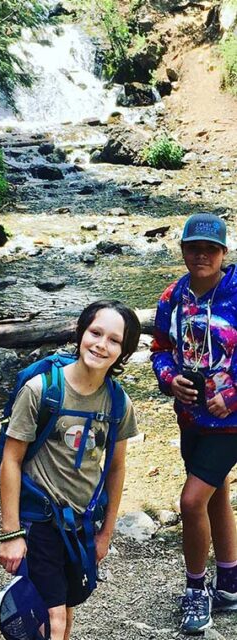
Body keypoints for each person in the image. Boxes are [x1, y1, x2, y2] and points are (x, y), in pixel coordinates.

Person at [0, 299, 141, 640]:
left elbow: (116, 468)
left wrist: (105, 533)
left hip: (81, 524)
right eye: (95, 332)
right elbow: (11, 459)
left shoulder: (119, 403)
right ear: (80, 333)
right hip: (40, 518)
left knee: (66, 609)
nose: (101, 345)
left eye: (114, 340)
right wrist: (11, 533)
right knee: (53, 619)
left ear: (124, 351)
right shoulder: (41, 390)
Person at [152, 212, 237, 634]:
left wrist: (233, 390)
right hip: (189, 416)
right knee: (215, 493)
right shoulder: (172, 296)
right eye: (193, 248)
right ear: (183, 250)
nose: (201, 255)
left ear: (223, 252)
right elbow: (160, 349)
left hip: (232, 422)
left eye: (210, 248)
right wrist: (171, 379)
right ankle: (231, 579)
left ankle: (195, 589)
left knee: (190, 501)